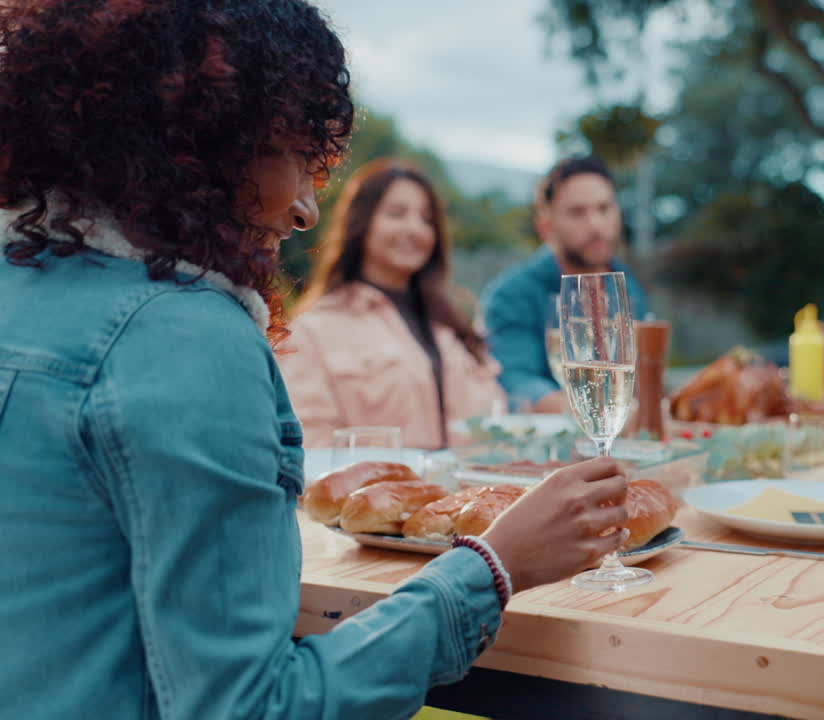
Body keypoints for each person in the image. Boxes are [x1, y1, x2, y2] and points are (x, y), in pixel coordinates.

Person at [0, 3, 633, 718]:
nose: (305, 207)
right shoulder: (184, 338)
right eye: (296, 153)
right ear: (200, 135)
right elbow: (255, 707)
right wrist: (493, 566)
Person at [280, 158, 505, 449]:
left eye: (426, 219)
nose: (414, 228)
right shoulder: (313, 330)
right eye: (397, 214)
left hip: (476, 491)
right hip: (380, 493)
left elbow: (498, 421)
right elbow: (309, 443)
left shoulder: (453, 322)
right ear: (362, 222)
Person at [481, 155, 651, 413]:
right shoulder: (512, 296)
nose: (596, 225)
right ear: (545, 226)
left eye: (604, 208)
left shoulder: (627, 284)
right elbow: (516, 384)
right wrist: (601, 415)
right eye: (577, 212)